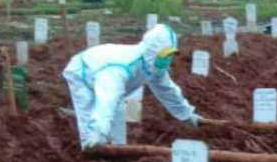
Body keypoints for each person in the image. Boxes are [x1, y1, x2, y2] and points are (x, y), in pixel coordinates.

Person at [62, 23, 200, 149]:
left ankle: (118, 152)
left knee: (118, 115)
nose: (167, 59)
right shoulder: (122, 68)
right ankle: (90, 151)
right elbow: (107, 100)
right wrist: (97, 134)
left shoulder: (153, 66)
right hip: (83, 72)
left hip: (108, 78)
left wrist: (187, 115)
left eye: (170, 55)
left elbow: (167, 90)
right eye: (164, 55)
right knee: (90, 114)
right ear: (152, 51)